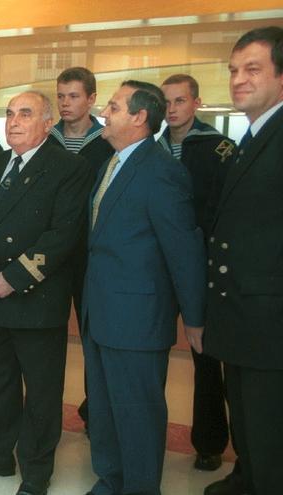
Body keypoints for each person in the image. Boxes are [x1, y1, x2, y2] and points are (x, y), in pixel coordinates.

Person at [0, 91, 92, 495]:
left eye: (26, 114)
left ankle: (36, 467)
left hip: (34, 299)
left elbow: (62, 235)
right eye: (10, 114)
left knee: (42, 390)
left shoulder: (69, 167)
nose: (13, 121)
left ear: (47, 123)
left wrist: (11, 278)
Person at [82, 80, 206, 495]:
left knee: (137, 415)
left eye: (114, 107)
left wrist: (195, 317)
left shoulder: (161, 170)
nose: (105, 113)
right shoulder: (110, 163)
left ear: (139, 117)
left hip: (137, 319)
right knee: (104, 410)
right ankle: (110, 479)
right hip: (100, 313)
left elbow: (183, 250)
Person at [203, 26, 283, 495]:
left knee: (270, 422)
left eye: (253, 69)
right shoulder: (252, 137)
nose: (238, 80)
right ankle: (247, 478)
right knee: (249, 415)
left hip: (270, 312)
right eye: (234, 70)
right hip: (241, 311)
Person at [159, 73, 236, 473]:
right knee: (148, 350)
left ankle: (208, 442)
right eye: (167, 102)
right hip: (156, 267)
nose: (172, 109)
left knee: (205, 357)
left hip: (200, 265)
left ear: (196, 103)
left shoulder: (218, 149)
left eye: (180, 101)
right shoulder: (151, 148)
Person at [48, 66, 114, 433]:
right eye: (61, 96)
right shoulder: (47, 138)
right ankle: (47, 416)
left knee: (94, 338)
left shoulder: (107, 140)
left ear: (91, 98)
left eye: (74, 96)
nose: (66, 103)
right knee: (50, 338)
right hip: (52, 255)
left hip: (91, 256)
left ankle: (95, 411)